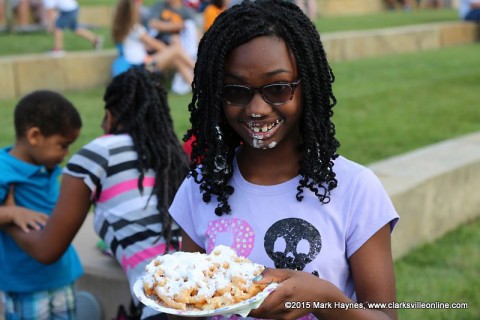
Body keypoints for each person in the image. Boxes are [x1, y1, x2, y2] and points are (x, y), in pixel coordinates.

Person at [170, 0, 399, 319]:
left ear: (308, 86)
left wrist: (324, 299)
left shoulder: (356, 190)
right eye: (236, 91)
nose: (257, 109)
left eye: (277, 89)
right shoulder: (200, 187)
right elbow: (181, 304)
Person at [6, 68, 190, 320]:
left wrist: (9, 219)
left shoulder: (99, 153)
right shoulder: (173, 155)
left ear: (109, 116)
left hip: (162, 307)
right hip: (206, 296)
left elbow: (47, 250)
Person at [0, 90, 83, 320]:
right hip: (24, 282)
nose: (66, 154)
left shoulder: (47, 166)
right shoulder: (4, 170)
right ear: (34, 136)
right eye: (62, 145)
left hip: (61, 275)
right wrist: (10, 212)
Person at [111, 0, 195, 88]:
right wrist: (168, 53)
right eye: (138, 8)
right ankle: (200, 69)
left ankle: (195, 86)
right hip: (144, 68)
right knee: (176, 50)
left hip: (139, 67)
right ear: (132, 12)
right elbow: (159, 46)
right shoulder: (136, 29)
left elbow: (134, 46)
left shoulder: (122, 29)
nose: (139, 10)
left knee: (176, 59)